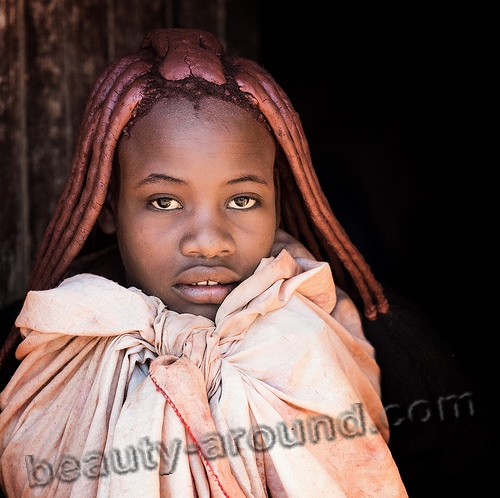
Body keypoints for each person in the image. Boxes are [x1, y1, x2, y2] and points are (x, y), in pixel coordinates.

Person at [0, 28, 410, 496]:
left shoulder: (319, 337)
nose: (208, 242)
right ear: (110, 208)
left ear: (277, 202)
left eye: (240, 200)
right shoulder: (59, 353)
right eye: (164, 202)